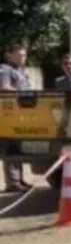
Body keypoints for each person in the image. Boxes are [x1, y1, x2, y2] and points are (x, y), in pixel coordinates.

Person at [0, 45, 32, 193]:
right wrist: (22, 93)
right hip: (9, 113)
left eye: (24, 55)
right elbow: (4, 87)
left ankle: (19, 179)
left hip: (21, 113)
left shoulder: (21, 71)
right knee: (11, 147)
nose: (22, 58)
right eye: (19, 55)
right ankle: (13, 182)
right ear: (10, 55)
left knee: (19, 147)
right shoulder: (5, 69)